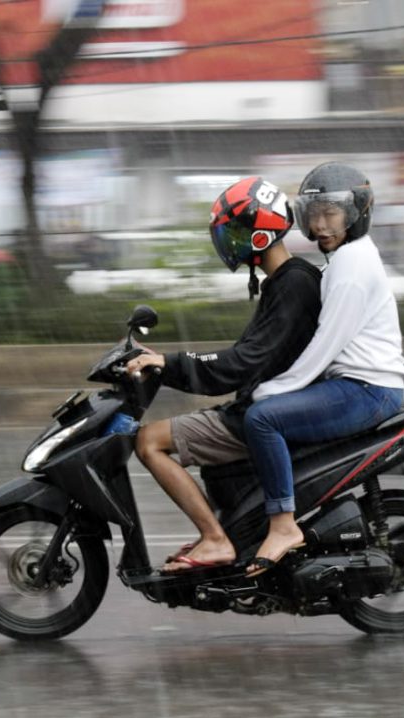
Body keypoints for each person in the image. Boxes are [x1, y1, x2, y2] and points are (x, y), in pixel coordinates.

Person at [125, 177, 322, 574]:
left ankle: (215, 540)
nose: (229, 241)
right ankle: (222, 532)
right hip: (265, 403)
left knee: (148, 440)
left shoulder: (294, 284)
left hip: (265, 410)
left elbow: (241, 363)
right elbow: (248, 360)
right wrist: (170, 363)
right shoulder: (285, 282)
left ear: (261, 232)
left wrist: (169, 364)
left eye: (236, 232)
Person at [240, 162, 404, 577]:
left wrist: (277, 388)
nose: (320, 227)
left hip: (367, 390)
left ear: (358, 212)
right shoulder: (350, 258)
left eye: (330, 214)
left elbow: (326, 344)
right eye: (312, 216)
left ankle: (283, 525)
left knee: (262, 419)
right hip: (362, 386)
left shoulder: (351, 266)